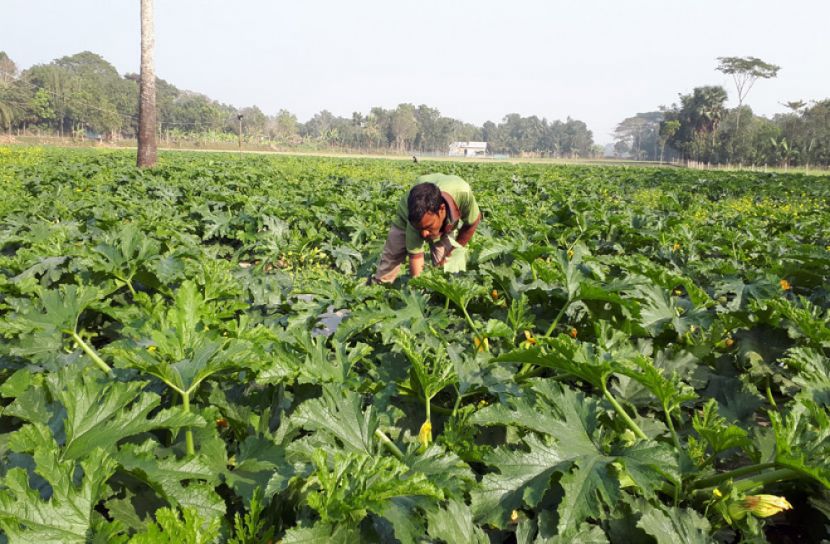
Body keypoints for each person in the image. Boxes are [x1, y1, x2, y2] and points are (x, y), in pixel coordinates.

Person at [371, 173, 481, 283]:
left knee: (447, 271)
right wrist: (418, 286)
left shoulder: (463, 193)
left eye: (428, 227)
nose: (424, 234)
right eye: (420, 229)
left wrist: (450, 255)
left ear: (442, 210)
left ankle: (437, 297)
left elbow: (472, 223)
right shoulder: (414, 215)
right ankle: (380, 289)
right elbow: (416, 255)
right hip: (406, 219)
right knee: (391, 260)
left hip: (446, 225)